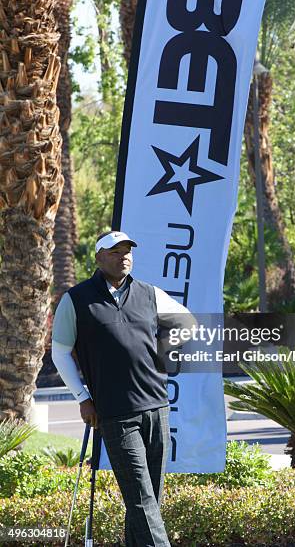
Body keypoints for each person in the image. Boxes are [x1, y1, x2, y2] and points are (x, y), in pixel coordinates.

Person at [52, 230, 195, 547]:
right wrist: (82, 397)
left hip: (157, 409)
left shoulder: (149, 294)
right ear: (99, 257)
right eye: (115, 251)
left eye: (128, 249)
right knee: (142, 499)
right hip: (116, 415)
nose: (124, 255)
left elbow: (187, 322)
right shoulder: (76, 300)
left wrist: (163, 351)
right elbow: (60, 351)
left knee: (147, 502)